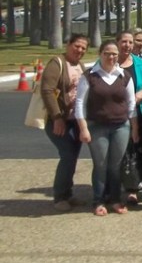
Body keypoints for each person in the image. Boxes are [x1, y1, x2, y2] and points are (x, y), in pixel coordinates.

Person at [75, 40, 137, 216]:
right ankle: (98, 200)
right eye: (107, 53)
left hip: (121, 127)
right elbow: (80, 103)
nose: (111, 57)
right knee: (100, 165)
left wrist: (134, 127)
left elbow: (131, 103)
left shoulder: (124, 76)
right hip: (97, 127)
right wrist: (83, 128)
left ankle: (116, 200)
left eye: (114, 54)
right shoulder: (89, 76)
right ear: (100, 54)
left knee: (115, 165)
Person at [41, 33, 89, 212]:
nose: (80, 50)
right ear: (68, 44)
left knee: (72, 156)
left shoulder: (80, 65)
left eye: (83, 48)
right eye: (77, 46)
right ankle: (59, 196)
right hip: (59, 120)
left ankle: (68, 193)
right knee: (67, 154)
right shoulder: (57, 63)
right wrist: (57, 118)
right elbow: (47, 91)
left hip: (75, 120)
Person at [116, 31, 142, 204]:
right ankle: (122, 186)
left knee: (140, 151)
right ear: (117, 43)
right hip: (115, 116)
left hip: (139, 113)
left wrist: (141, 94)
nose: (127, 45)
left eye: (130, 42)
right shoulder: (108, 61)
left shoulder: (139, 63)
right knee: (120, 152)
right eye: (124, 42)